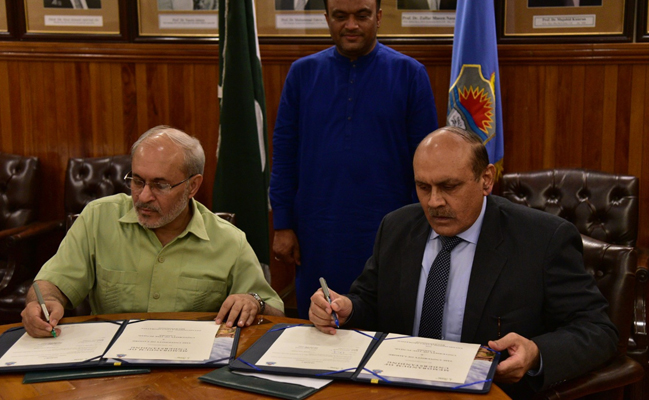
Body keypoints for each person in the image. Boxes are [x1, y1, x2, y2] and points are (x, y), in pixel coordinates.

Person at [309, 127, 618, 398]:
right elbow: (371, 300)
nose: (433, 202)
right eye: (423, 187)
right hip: (396, 389)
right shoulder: (397, 227)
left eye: (449, 186)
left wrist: (536, 354)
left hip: (488, 393)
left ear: (486, 180)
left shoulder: (543, 239)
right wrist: (345, 308)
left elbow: (597, 330)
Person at [22, 126, 284, 338]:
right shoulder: (98, 218)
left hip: (191, 373)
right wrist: (41, 304)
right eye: (137, 181)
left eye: (160, 185)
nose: (143, 196)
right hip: (112, 368)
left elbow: (274, 313)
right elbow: (51, 283)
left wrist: (254, 302)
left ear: (192, 186)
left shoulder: (229, 240)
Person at [269, 0, 439, 319]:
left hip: (389, 232)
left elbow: (427, 162)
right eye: (340, 16)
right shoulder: (302, 74)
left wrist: (419, 229)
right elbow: (284, 152)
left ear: (378, 17)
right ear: (326, 19)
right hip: (317, 232)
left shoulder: (410, 74)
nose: (351, 25)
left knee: (384, 328)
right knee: (320, 328)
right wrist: (283, 224)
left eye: (361, 15)